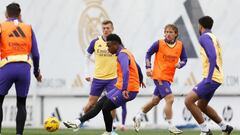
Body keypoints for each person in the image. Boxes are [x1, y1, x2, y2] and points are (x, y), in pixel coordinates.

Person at [64, 33, 145, 135]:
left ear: (115, 44)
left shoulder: (122, 54)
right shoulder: (126, 52)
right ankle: (78, 121)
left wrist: (125, 89)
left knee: (106, 107)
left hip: (128, 90)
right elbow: (137, 67)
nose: (107, 48)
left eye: (108, 45)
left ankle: (108, 132)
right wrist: (141, 79)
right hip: (121, 87)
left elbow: (126, 71)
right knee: (100, 104)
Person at [133, 24, 187, 134]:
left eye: (171, 32)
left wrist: (180, 64)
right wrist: (148, 68)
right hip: (159, 76)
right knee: (170, 99)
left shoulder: (180, 45)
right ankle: (171, 125)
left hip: (168, 78)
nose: (168, 34)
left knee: (155, 101)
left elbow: (184, 59)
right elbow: (148, 54)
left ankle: (139, 115)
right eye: (166, 31)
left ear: (176, 34)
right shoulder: (159, 43)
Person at [184, 16, 233, 135]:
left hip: (212, 78)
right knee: (201, 105)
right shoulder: (213, 37)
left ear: (201, 26)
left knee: (188, 101)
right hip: (217, 77)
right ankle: (225, 127)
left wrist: (209, 77)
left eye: (198, 25)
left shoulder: (204, 37)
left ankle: (205, 130)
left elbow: (212, 57)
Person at [0, 3, 42, 135]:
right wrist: (36, 72)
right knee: (21, 104)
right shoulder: (28, 27)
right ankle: (19, 134)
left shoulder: (2, 26)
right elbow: (36, 54)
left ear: (6, 14)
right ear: (19, 14)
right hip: (24, 68)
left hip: (6, 67)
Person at [83, 20, 126, 134]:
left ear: (112, 29)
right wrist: (86, 72)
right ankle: (80, 122)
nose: (106, 30)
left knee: (111, 104)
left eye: (108, 28)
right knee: (91, 104)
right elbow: (86, 56)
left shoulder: (117, 43)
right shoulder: (95, 42)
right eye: (104, 28)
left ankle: (110, 130)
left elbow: (124, 57)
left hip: (113, 78)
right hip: (98, 78)